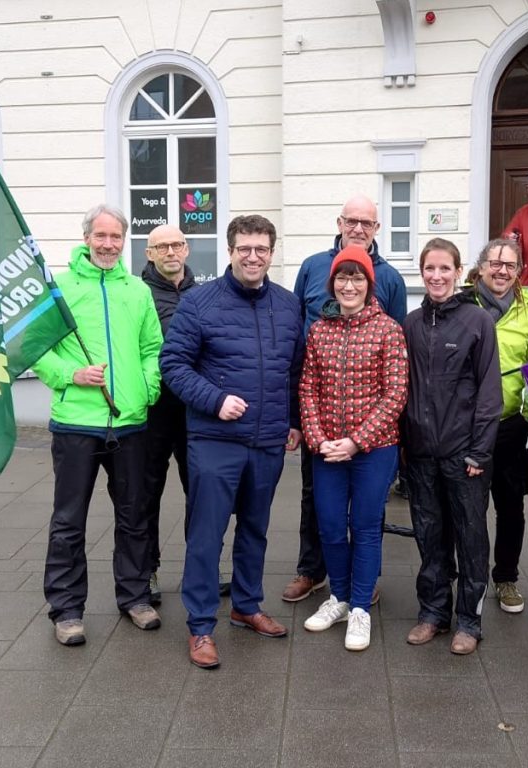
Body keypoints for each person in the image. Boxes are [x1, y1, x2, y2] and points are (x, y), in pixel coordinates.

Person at [160, 214, 304, 669]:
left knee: (256, 530)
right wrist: (216, 399)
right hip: (215, 439)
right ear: (230, 251)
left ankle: (246, 605)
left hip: (266, 441)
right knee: (206, 535)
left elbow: (294, 370)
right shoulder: (200, 303)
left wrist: (294, 420)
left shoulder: (287, 304)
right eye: (244, 248)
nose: (253, 256)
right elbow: (174, 365)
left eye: (261, 248)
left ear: (272, 252)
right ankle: (201, 625)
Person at [33, 204, 163, 646]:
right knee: (69, 521)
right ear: (87, 238)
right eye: (101, 236)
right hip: (75, 423)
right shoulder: (60, 289)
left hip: (129, 423)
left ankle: (135, 596)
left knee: (134, 517)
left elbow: (152, 348)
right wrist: (70, 375)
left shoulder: (136, 290)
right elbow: (35, 347)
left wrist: (146, 389)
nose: (109, 244)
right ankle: (67, 610)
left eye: (116, 237)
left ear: (125, 241)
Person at [282, 194, 407, 603]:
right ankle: (311, 570)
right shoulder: (312, 267)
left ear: (376, 229)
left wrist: (361, 438)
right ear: (339, 222)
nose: (357, 228)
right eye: (351, 220)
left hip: (371, 433)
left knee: (367, 515)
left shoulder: (390, 281)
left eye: (366, 222)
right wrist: (312, 432)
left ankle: (361, 586)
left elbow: (397, 367)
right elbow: (295, 328)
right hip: (322, 420)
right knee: (316, 502)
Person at [299, 245, 408, 651]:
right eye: (342, 278)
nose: (348, 285)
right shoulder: (319, 330)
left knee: (364, 526)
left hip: (374, 449)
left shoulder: (387, 330)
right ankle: (339, 598)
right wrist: (318, 438)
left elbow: (396, 394)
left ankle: (360, 606)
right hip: (326, 447)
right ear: (332, 284)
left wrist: (356, 441)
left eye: (356, 278)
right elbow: (307, 388)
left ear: (369, 284)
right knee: (328, 524)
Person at [402, 237, 502, 655]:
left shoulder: (478, 322)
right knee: (430, 536)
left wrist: (480, 451)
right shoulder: (409, 323)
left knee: (471, 538)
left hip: (465, 457)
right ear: (421, 273)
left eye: (445, 269)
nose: (437, 276)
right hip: (422, 453)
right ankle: (433, 612)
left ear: (459, 273)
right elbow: (402, 388)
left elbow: (489, 393)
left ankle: (469, 620)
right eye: (430, 269)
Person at [141, 225, 231, 604]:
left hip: (196, 413)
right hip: (152, 412)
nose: (170, 252)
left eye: (176, 244)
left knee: (201, 494)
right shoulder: (137, 294)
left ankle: (204, 567)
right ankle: (145, 571)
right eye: (161, 246)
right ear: (149, 253)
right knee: (145, 494)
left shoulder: (206, 295)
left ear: (187, 249)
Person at [467, 238, 528, 614]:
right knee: (469, 508)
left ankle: (506, 578)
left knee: (510, 508)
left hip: (510, 427)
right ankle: (472, 577)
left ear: (518, 272)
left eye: (510, 265)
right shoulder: (462, 304)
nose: (501, 270)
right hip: (467, 427)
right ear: (480, 267)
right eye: (494, 263)